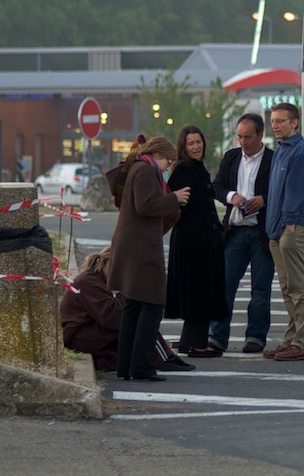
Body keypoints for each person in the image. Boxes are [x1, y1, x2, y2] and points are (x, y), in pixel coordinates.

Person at [108, 136, 190, 382]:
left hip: (132, 245)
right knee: (153, 305)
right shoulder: (145, 170)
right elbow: (145, 205)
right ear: (158, 155)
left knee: (133, 306)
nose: (167, 167)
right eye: (167, 162)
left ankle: (126, 366)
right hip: (141, 248)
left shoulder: (137, 167)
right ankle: (142, 366)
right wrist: (174, 198)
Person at [59, 247, 193, 373]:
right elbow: (114, 316)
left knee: (134, 332)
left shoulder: (94, 278)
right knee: (137, 322)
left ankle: (161, 357)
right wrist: (128, 289)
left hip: (83, 332)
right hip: (78, 335)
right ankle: (163, 359)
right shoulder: (88, 281)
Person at [209, 112, 275, 354]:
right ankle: (217, 336)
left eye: (248, 137)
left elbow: (282, 191)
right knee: (225, 285)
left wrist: (263, 200)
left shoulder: (273, 159)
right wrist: (232, 197)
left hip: (261, 232)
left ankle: (255, 337)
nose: (243, 142)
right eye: (239, 137)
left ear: (260, 135)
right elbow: (217, 187)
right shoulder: (231, 157)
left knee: (260, 289)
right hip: (235, 231)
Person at [165, 125, 228, 356]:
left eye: (198, 142)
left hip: (199, 241)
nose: (196, 146)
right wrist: (203, 234)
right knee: (200, 293)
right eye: (191, 143)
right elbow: (180, 207)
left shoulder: (195, 167)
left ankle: (188, 341)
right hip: (194, 243)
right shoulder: (184, 169)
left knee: (197, 293)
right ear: (183, 146)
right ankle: (198, 344)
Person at [263, 102, 304, 362]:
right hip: (276, 230)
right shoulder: (281, 150)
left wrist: (290, 223)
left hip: (291, 228)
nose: (275, 125)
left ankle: (302, 343)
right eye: (273, 121)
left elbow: (295, 192)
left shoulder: (301, 151)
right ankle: (290, 340)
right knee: (287, 288)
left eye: (280, 121)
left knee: (298, 287)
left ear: (294, 122)